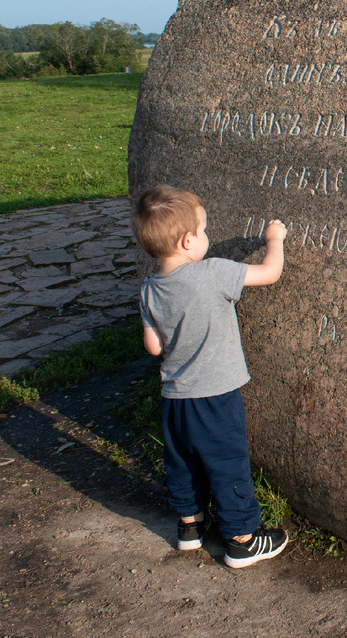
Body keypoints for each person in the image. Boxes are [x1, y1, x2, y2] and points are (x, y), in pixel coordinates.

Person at [132, 184, 289, 568]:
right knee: (226, 461)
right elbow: (270, 273)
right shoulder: (213, 273)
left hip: (175, 399)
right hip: (215, 397)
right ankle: (242, 539)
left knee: (183, 462)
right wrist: (275, 239)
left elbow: (154, 347)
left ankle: (190, 524)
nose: (206, 238)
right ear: (187, 241)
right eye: (203, 232)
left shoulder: (149, 290)